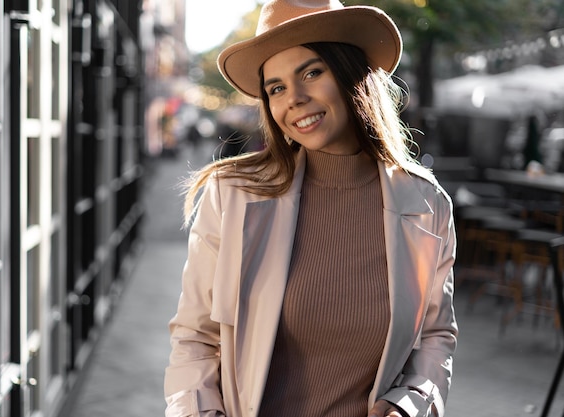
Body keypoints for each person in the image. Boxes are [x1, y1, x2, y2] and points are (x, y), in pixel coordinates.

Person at [164, 1, 458, 417]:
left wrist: (409, 405)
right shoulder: (232, 193)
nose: (295, 99)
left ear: (350, 71)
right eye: (276, 88)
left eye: (312, 72)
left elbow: (435, 334)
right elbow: (195, 338)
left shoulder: (427, 205)